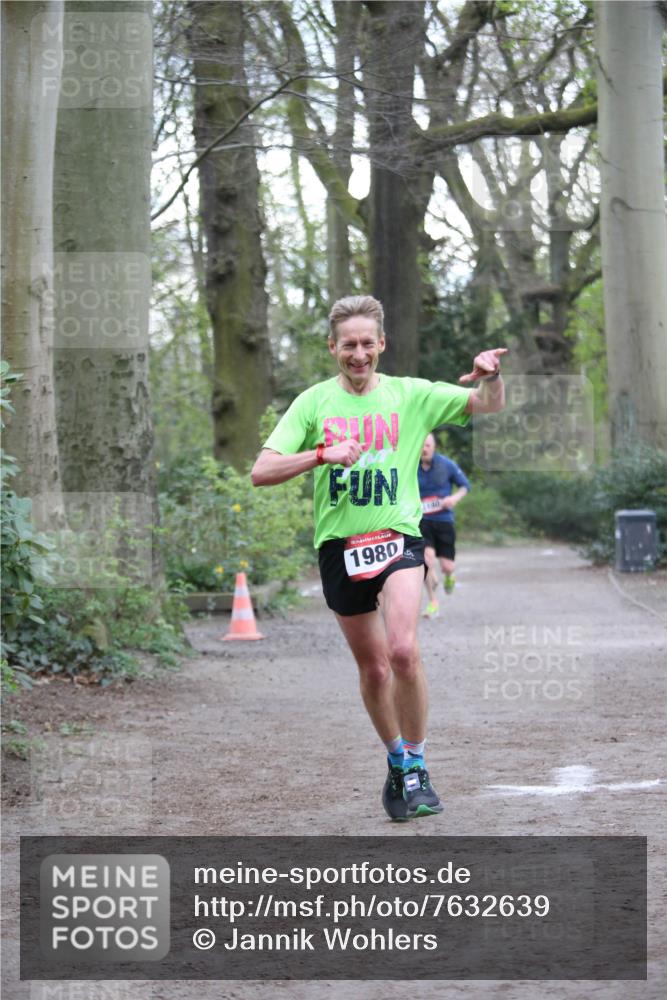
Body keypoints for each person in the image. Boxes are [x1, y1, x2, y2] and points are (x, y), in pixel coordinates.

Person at [251, 295, 506, 821]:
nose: (359, 353)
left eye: (369, 343)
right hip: (339, 548)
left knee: (404, 651)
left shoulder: (411, 396)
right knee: (372, 671)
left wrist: (490, 375)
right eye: (350, 344)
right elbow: (262, 471)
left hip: (400, 540)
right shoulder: (313, 404)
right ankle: (395, 761)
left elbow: (488, 405)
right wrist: (320, 453)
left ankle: (417, 763)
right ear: (333, 348)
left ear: (382, 344)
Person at [418, 434, 471, 618]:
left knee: (447, 566)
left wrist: (454, 499)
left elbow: (465, 486)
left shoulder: (446, 465)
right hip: (421, 520)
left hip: (443, 521)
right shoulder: (410, 466)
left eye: (427, 445)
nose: (424, 448)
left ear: (434, 447)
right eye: (421, 445)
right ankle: (433, 602)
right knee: (427, 559)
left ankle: (449, 576)